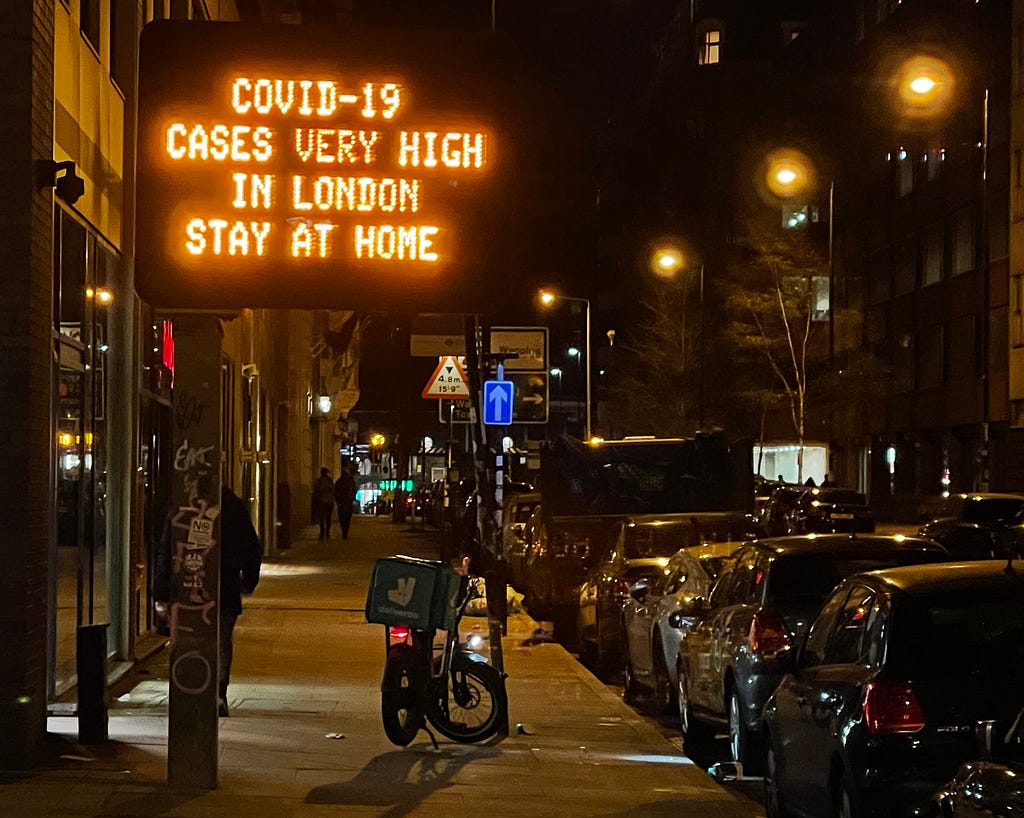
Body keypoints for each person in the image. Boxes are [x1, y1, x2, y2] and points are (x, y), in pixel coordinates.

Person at [216, 486, 263, 716]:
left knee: (210, 637)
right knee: (223, 639)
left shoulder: (187, 504)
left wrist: (163, 591)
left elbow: (168, 545)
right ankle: (219, 691)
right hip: (227, 584)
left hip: (195, 588)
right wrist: (248, 580)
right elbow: (252, 547)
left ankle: (205, 689)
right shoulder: (234, 506)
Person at [334, 461, 357, 540]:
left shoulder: (339, 481)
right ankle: (345, 532)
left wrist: (338, 501)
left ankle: (344, 531)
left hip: (342, 502)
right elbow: (354, 490)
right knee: (347, 518)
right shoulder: (351, 481)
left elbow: (336, 491)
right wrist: (352, 498)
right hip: (348, 502)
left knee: (342, 518)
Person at [314, 467, 334, 539]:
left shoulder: (328, 480)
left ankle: (326, 533)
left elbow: (332, 489)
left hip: (327, 502)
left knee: (326, 518)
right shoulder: (319, 481)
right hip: (323, 502)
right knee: (323, 518)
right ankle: (323, 532)